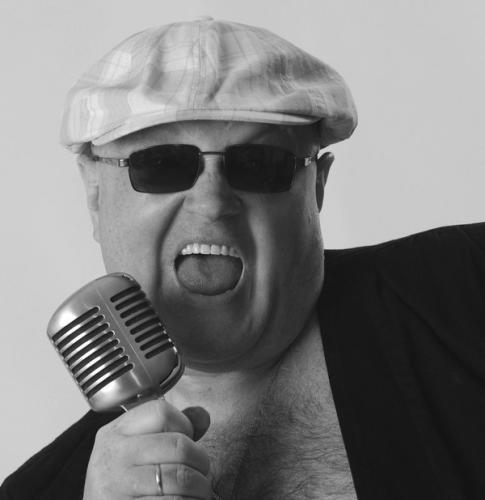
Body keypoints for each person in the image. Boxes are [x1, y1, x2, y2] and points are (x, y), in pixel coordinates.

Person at [2, 17, 484, 500]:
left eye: (259, 165)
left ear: (317, 187)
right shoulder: (38, 492)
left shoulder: (467, 289)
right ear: (94, 195)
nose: (211, 202)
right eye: (162, 164)